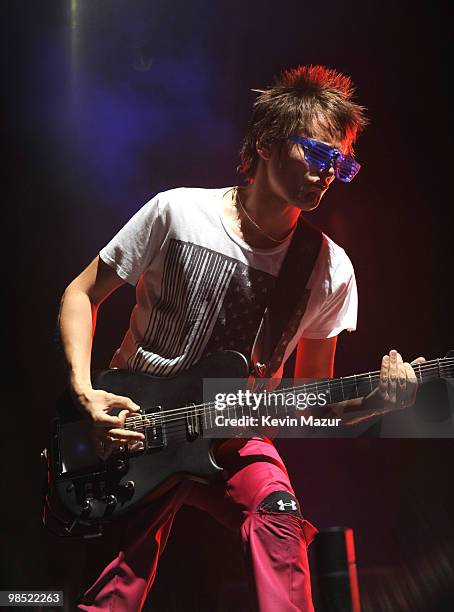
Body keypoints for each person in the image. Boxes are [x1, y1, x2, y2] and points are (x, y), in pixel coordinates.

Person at [58, 65, 424, 611]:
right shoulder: (178, 212)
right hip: (138, 425)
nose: (328, 174)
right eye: (318, 155)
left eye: (341, 164)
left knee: (279, 517)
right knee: (113, 591)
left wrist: (376, 403)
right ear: (266, 144)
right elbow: (81, 294)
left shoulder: (328, 268)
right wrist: (87, 394)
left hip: (234, 432)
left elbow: (308, 404)